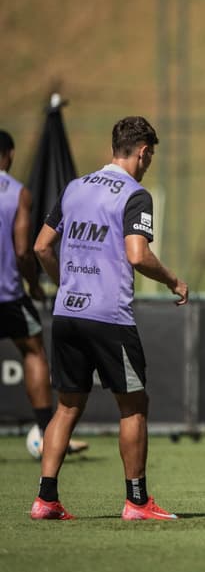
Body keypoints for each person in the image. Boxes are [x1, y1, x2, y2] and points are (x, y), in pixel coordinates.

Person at [31, 116, 188, 520]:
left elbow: (42, 247)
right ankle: (137, 502)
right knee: (133, 406)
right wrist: (173, 280)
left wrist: (65, 284)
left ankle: (45, 499)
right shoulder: (136, 195)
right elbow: (138, 255)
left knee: (66, 407)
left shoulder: (75, 188)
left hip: (67, 312)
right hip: (108, 317)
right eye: (149, 155)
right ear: (143, 151)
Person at [0, 129, 88, 457]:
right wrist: (33, 285)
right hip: (8, 293)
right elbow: (25, 250)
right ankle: (42, 430)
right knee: (34, 351)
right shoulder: (17, 193)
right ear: (8, 154)